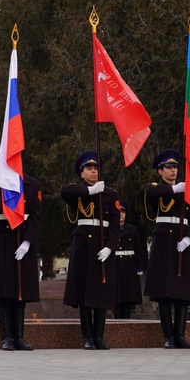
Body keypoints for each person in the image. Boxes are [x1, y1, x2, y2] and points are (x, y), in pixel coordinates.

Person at [143, 149, 190, 349]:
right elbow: (150, 193)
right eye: (168, 167)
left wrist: (189, 238)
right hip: (162, 244)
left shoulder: (187, 192)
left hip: (181, 244)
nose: (173, 170)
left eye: (175, 167)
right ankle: (168, 337)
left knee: (181, 294)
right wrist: (174, 190)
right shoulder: (156, 189)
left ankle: (180, 336)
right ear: (160, 171)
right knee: (164, 295)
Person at [61, 150, 121, 350]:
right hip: (84, 246)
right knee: (85, 293)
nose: (94, 171)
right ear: (82, 173)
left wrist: (110, 247)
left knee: (101, 293)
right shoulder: (78, 191)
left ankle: (99, 336)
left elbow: (114, 226)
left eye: (96, 168)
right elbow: (64, 191)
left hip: (102, 245)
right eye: (89, 168)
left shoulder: (110, 194)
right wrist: (90, 192)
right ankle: (87, 336)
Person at [0, 174, 43, 351]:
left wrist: (28, 241)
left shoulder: (32, 184)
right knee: (4, 290)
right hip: (3, 239)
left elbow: (36, 215)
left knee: (21, 291)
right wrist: (7, 204)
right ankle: (6, 337)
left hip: (23, 238)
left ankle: (19, 337)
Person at [114, 200, 147, 319]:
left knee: (127, 298)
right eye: (118, 212)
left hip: (129, 265)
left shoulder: (132, 230)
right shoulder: (110, 229)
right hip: (115, 265)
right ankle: (117, 322)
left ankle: (126, 322)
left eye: (123, 212)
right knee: (116, 298)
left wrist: (140, 266)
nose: (121, 214)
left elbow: (138, 248)